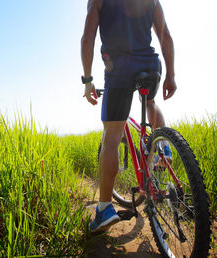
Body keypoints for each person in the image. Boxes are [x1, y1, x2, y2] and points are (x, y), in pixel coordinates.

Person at [80, 0, 177, 232]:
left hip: (119, 69)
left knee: (112, 135)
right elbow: (166, 37)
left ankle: (104, 209)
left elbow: (87, 39)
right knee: (151, 102)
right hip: (151, 65)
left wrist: (87, 81)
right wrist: (171, 75)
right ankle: (162, 148)